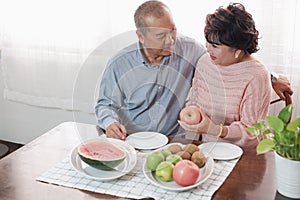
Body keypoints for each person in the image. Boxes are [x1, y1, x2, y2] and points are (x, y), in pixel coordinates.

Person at [95, 0, 293, 141]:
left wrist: (271, 78)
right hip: (133, 140)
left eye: (173, 30)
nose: (171, 40)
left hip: (175, 141)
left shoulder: (190, 50)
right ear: (141, 36)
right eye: (160, 36)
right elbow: (105, 104)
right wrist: (110, 123)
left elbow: (233, 56)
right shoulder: (119, 64)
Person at [178, 3, 271, 147]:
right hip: (208, 150)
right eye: (208, 42)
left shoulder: (256, 76)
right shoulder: (205, 62)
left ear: (237, 51)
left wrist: (215, 130)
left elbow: (253, 133)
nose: (208, 49)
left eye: (215, 46)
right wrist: (191, 113)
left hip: (243, 154)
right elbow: (194, 101)